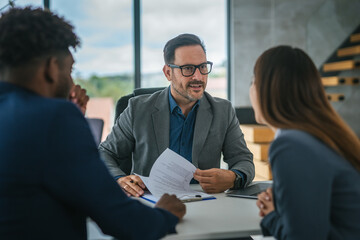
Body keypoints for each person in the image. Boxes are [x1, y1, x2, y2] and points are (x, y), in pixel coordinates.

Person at [0, 7, 185, 239]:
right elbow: (122, 221)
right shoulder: (55, 118)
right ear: (50, 69)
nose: (71, 80)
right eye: (70, 70)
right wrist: (165, 213)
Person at [99, 33, 254, 197]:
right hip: (150, 201)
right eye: (188, 68)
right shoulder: (137, 109)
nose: (198, 76)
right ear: (168, 73)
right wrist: (118, 178)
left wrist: (233, 177)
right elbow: (104, 153)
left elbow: (243, 160)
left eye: (202, 67)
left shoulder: (223, 110)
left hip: (205, 203)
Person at [250, 46, 360, 239]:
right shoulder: (322, 136)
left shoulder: (290, 146)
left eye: (253, 82)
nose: (250, 90)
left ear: (267, 90)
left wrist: (271, 216)